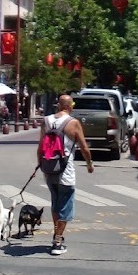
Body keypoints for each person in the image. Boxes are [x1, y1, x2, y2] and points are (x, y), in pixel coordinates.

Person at [37, 94, 94, 256]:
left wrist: (40, 164)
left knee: (56, 203)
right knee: (66, 205)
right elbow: (84, 147)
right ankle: (58, 240)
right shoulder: (73, 123)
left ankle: (57, 235)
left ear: (58, 106)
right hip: (65, 171)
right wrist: (89, 164)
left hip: (49, 169)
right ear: (70, 106)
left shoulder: (46, 121)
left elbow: (41, 147)